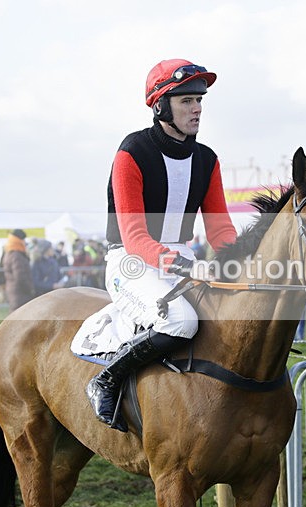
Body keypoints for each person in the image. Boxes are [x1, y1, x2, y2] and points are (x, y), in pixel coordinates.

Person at [86, 58, 237, 431]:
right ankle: (106, 380)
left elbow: (220, 231)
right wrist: (187, 266)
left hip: (181, 258)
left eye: (199, 100)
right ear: (160, 105)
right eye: (186, 100)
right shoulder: (131, 152)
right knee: (183, 321)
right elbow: (135, 238)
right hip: (130, 263)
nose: (197, 108)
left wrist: (242, 261)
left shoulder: (207, 159)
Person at [1, 229, 34, 311]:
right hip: (20, 292)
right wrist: (30, 288)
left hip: (15, 291)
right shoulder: (16, 256)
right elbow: (20, 276)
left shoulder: (10, 253)